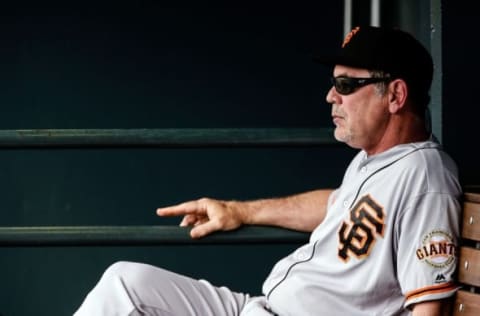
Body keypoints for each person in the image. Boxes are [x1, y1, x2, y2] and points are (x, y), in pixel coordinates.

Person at [73, 26, 462, 316]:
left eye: (346, 84)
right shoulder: (374, 159)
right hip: (259, 307)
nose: (331, 96)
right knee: (125, 282)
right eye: (333, 84)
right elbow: (337, 206)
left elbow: (429, 308)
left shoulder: (424, 177)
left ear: (395, 95)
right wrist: (240, 211)